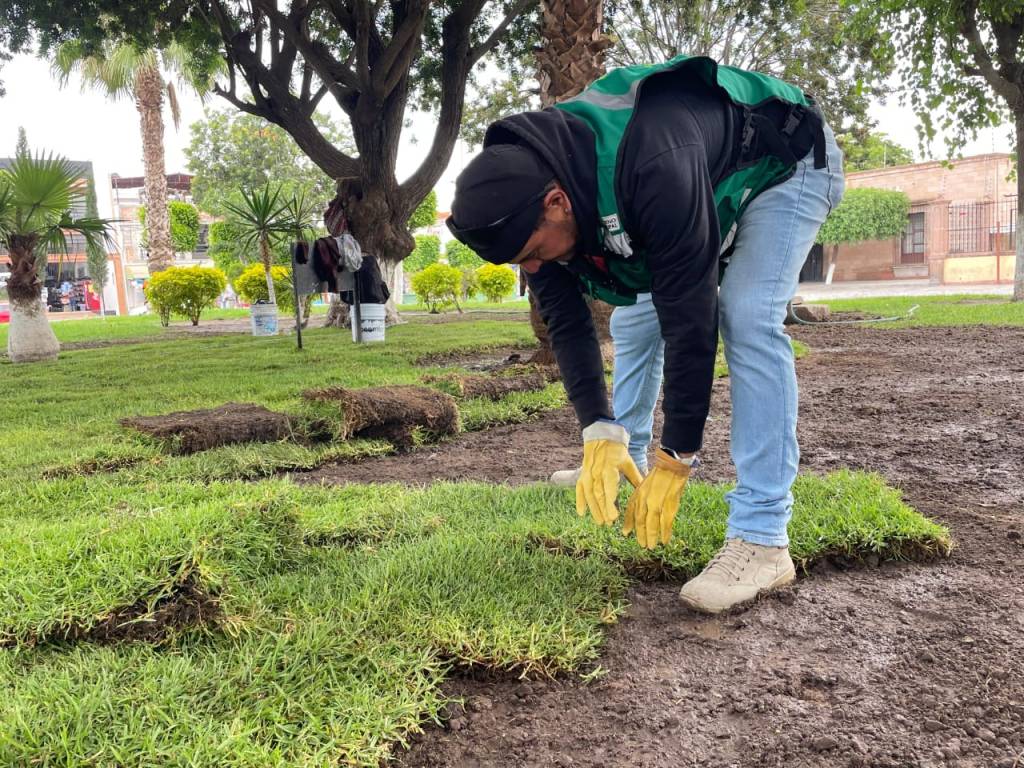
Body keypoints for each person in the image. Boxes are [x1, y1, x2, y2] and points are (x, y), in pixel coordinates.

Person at [446, 55, 845, 614]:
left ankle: (762, 538)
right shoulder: (535, 189)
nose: (534, 270)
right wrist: (595, 429)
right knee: (635, 319)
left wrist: (678, 454)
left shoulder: (653, 164)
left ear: (556, 202)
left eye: (535, 254)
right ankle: (622, 448)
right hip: (709, 172)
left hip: (786, 163)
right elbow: (566, 321)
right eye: (522, 264)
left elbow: (691, 316)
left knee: (747, 314)